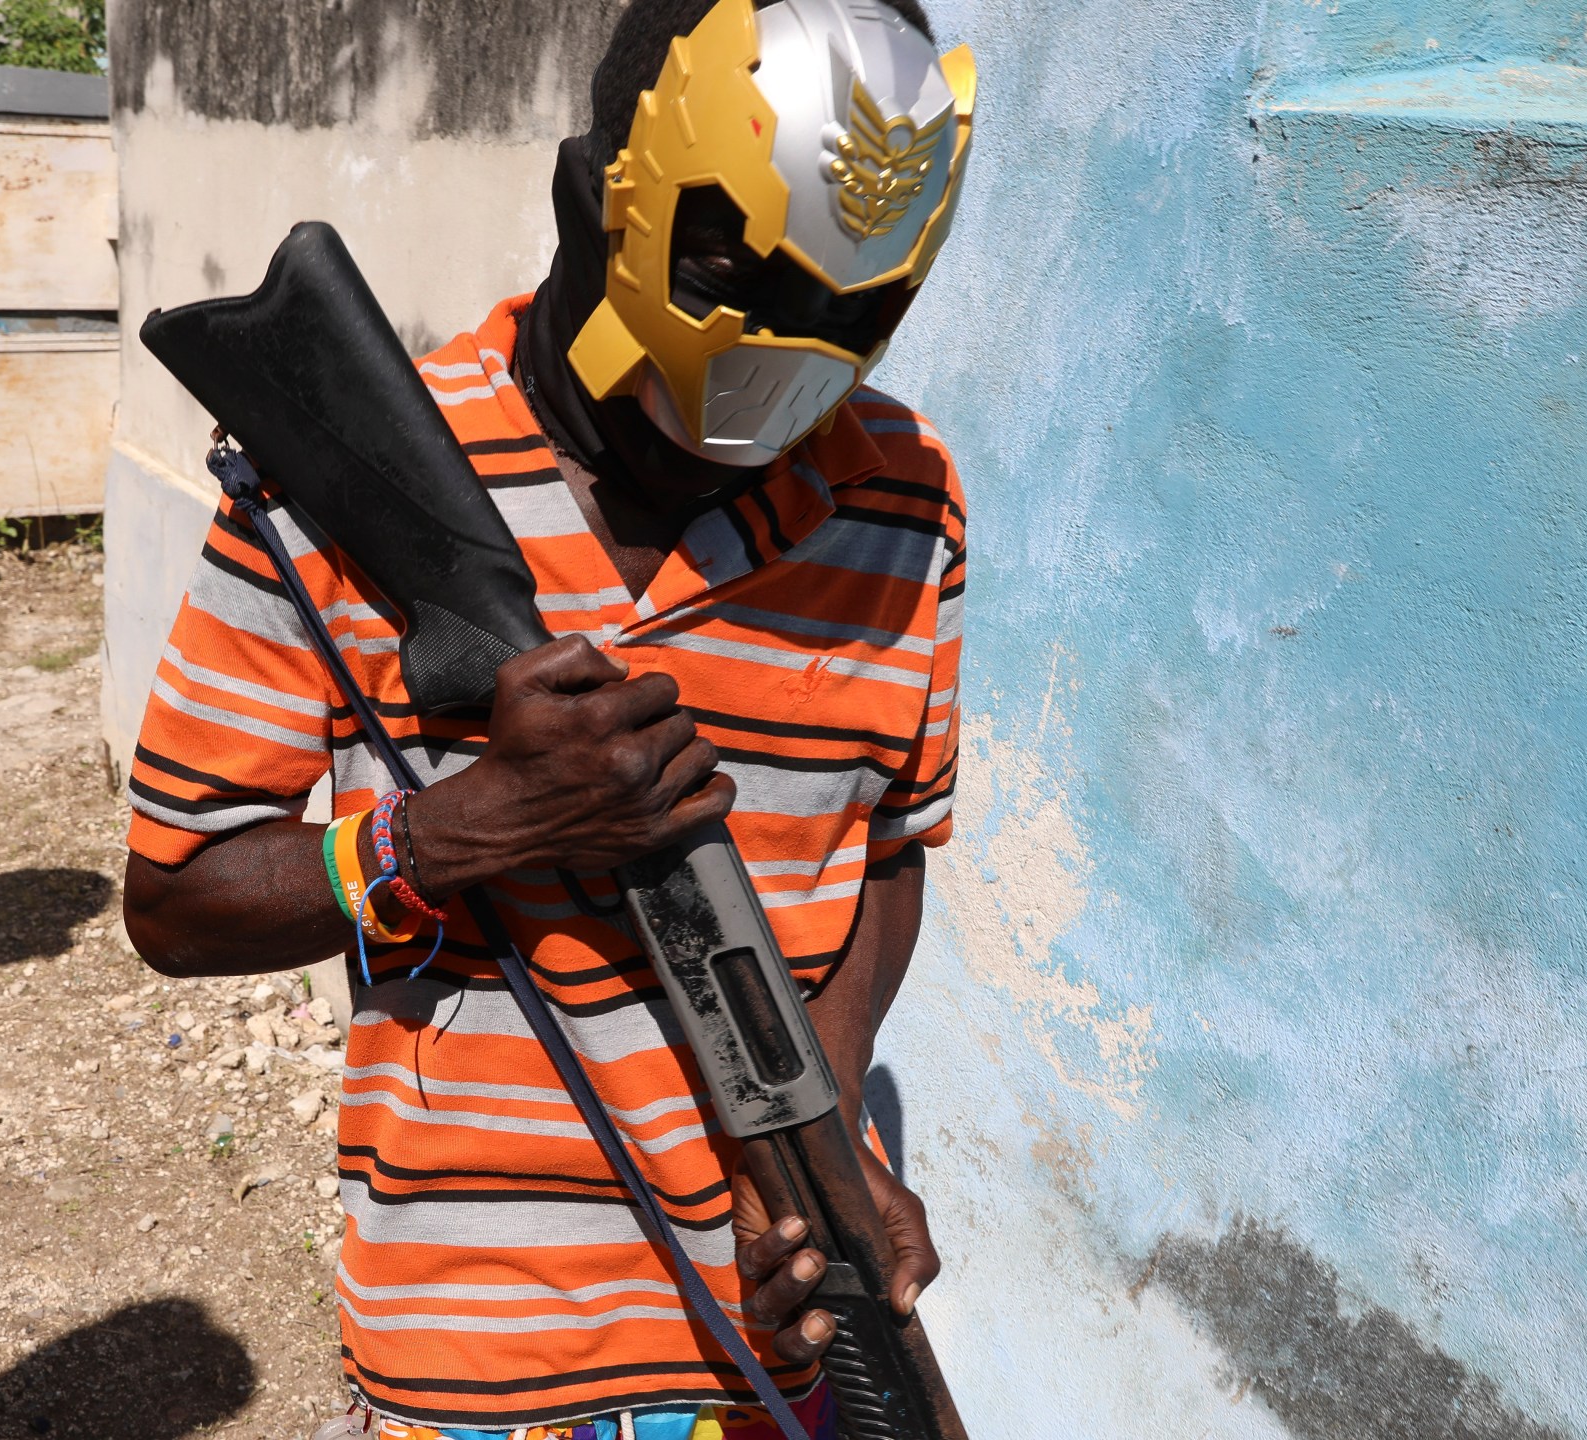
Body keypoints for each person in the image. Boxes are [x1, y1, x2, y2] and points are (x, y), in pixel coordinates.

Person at [120, 0, 973, 1435]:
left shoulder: (904, 493)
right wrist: (457, 831)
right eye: (728, 284)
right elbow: (178, 901)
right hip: (480, 1363)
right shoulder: (340, 482)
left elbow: (884, 848)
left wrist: (820, 1155)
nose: (785, 364)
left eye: (844, 320)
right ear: (596, 204)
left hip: (777, 1360)